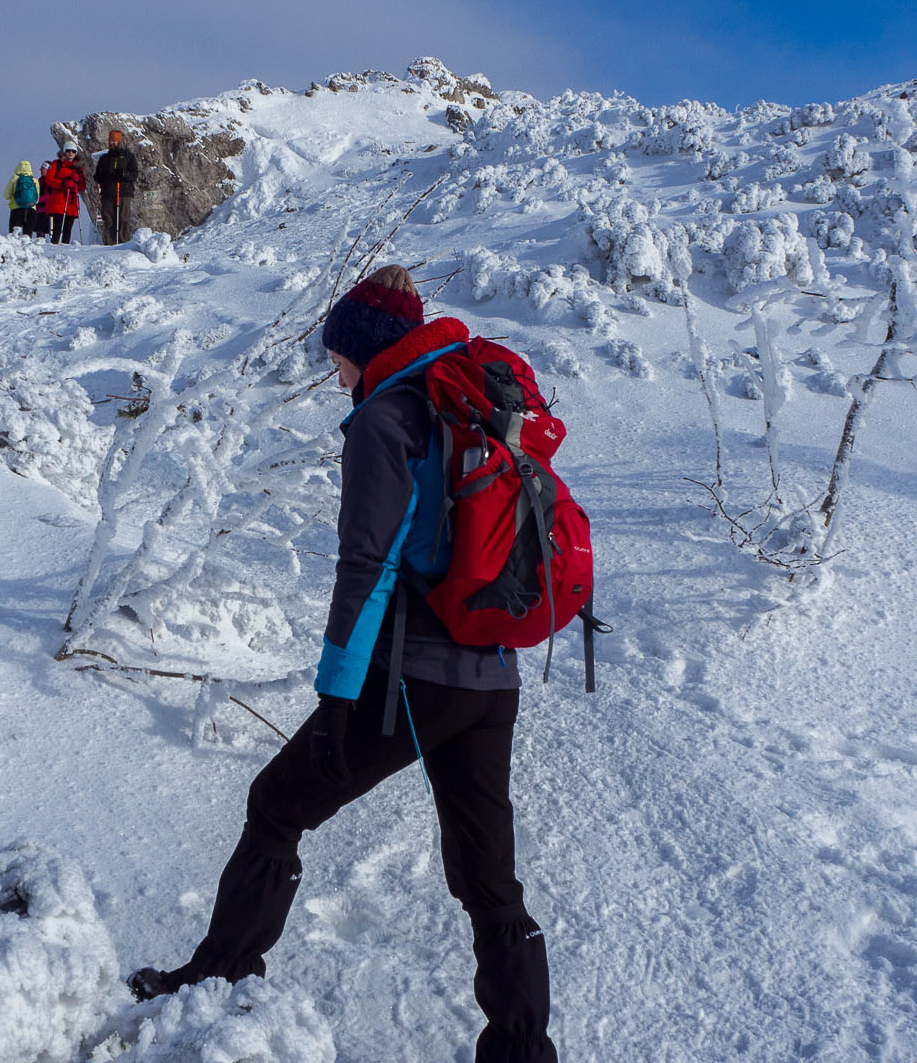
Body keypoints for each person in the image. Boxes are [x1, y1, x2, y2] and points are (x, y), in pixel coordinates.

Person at [128, 264, 559, 1063]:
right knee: (489, 881)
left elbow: (367, 566)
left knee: (277, 803)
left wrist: (335, 699)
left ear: (366, 351)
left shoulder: (386, 418)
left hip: (415, 679)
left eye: (338, 363)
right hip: (493, 677)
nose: (337, 379)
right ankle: (522, 1052)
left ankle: (215, 982)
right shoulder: (468, 407)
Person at [94, 129, 142, 245]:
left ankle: (123, 244)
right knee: (108, 220)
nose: (111, 143)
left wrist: (124, 174)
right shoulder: (104, 159)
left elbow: (134, 174)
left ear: (119, 142)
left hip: (123, 192)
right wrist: (100, 176)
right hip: (107, 193)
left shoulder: (128, 156)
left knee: (123, 220)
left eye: (114, 141)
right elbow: (97, 175)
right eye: (110, 140)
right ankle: (110, 244)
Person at [40, 146, 86, 245]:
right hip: (59, 200)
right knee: (57, 227)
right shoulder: (56, 164)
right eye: (68, 151)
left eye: (73, 151)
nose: (70, 153)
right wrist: (63, 184)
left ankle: (65, 248)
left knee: (68, 228)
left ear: (76, 153)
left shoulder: (78, 167)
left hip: (71, 202)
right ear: (64, 152)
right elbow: (48, 179)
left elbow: (82, 187)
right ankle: (55, 246)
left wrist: (78, 181)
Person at [4, 160, 40, 236]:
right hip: (31, 210)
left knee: (13, 236)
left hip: (17, 209)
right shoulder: (35, 180)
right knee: (27, 237)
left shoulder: (14, 178)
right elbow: (37, 199)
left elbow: (6, 196)